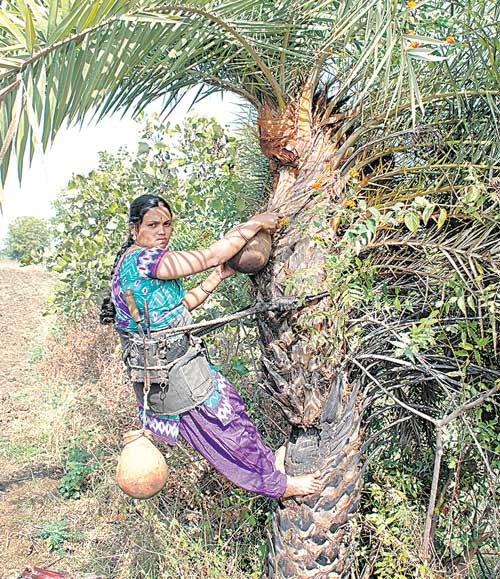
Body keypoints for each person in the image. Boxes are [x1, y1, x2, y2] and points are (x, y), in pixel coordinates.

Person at [100, 194, 321, 499]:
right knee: (226, 434)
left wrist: (217, 278)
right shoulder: (142, 260)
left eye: (167, 224)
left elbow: (180, 309)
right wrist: (255, 224)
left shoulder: (146, 265)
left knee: (234, 414)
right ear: (134, 229)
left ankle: (269, 465)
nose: (162, 231)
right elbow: (208, 256)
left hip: (184, 364)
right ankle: (280, 487)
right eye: (153, 224)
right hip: (174, 377)